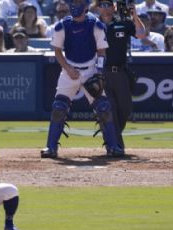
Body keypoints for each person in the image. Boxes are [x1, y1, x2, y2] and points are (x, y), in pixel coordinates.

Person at [41, 0, 124, 158]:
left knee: (104, 108)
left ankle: (113, 146)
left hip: (90, 69)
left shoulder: (96, 25)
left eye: (78, 2)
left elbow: (101, 52)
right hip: (69, 70)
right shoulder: (62, 25)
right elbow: (57, 51)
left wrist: (99, 73)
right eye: (73, 2)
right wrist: (68, 68)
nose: (74, 5)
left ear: (86, 6)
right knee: (59, 107)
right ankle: (51, 147)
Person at [97, 0, 145, 152]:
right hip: (101, 72)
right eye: (102, 5)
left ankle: (111, 136)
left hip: (120, 71)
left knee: (125, 109)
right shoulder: (93, 24)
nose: (105, 8)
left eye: (108, 4)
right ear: (98, 8)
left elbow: (141, 34)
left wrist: (135, 16)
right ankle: (115, 145)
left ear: (113, 6)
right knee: (108, 109)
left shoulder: (123, 23)